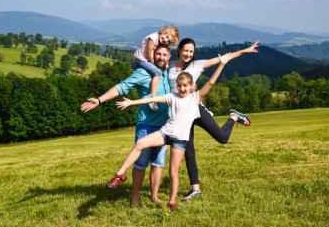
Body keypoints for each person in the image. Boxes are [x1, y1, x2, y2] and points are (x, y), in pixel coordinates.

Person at [105, 53, 233, 211]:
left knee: (173, 172)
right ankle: (120, 174)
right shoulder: (172, 96)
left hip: (180, 140)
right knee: (140, 143)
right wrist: (132, 102)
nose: (182, 89)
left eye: (185, 86)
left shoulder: (195, 98)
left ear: (191, 86)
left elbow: (211, 82)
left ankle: (172, 201)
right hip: (165, 133)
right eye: (179, 86)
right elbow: (150, 99)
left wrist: (222, 63)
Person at [168, 38, 260, 201]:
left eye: (191, 51)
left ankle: (233, 117)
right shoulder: (170, 64)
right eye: (186, 50)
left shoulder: (197, 65)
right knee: (189, 151)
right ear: (179, 50)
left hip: (196, 109)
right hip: (180, 115)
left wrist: (245, 51)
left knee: (222, 138)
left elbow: (225, 58)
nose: (188, 54)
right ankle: (195, 189)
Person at [80, 45, 172, 207]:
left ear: (169, 56)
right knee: (141, 164)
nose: (161, 57)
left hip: (164, 126)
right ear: (152, 55)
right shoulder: (144, 73)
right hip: (146, 125)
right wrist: (100, 100)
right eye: (158, 54)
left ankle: (155, 196)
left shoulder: (170, 73)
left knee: (158, 163)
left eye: (164, 54)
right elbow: (121, 87)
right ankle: (135, 199)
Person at [134, 25, 180, 111]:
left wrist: (165, 64)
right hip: (141, 60)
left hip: (145, 61)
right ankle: (152, 97)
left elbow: (166, 48)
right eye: (166, 36)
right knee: (157, 72)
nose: (165, 40)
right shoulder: (153, 38)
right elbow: (149, 54)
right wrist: (155, 65)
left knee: (162, 69)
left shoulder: (160, 39)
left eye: (168, 41)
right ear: (163, 31)